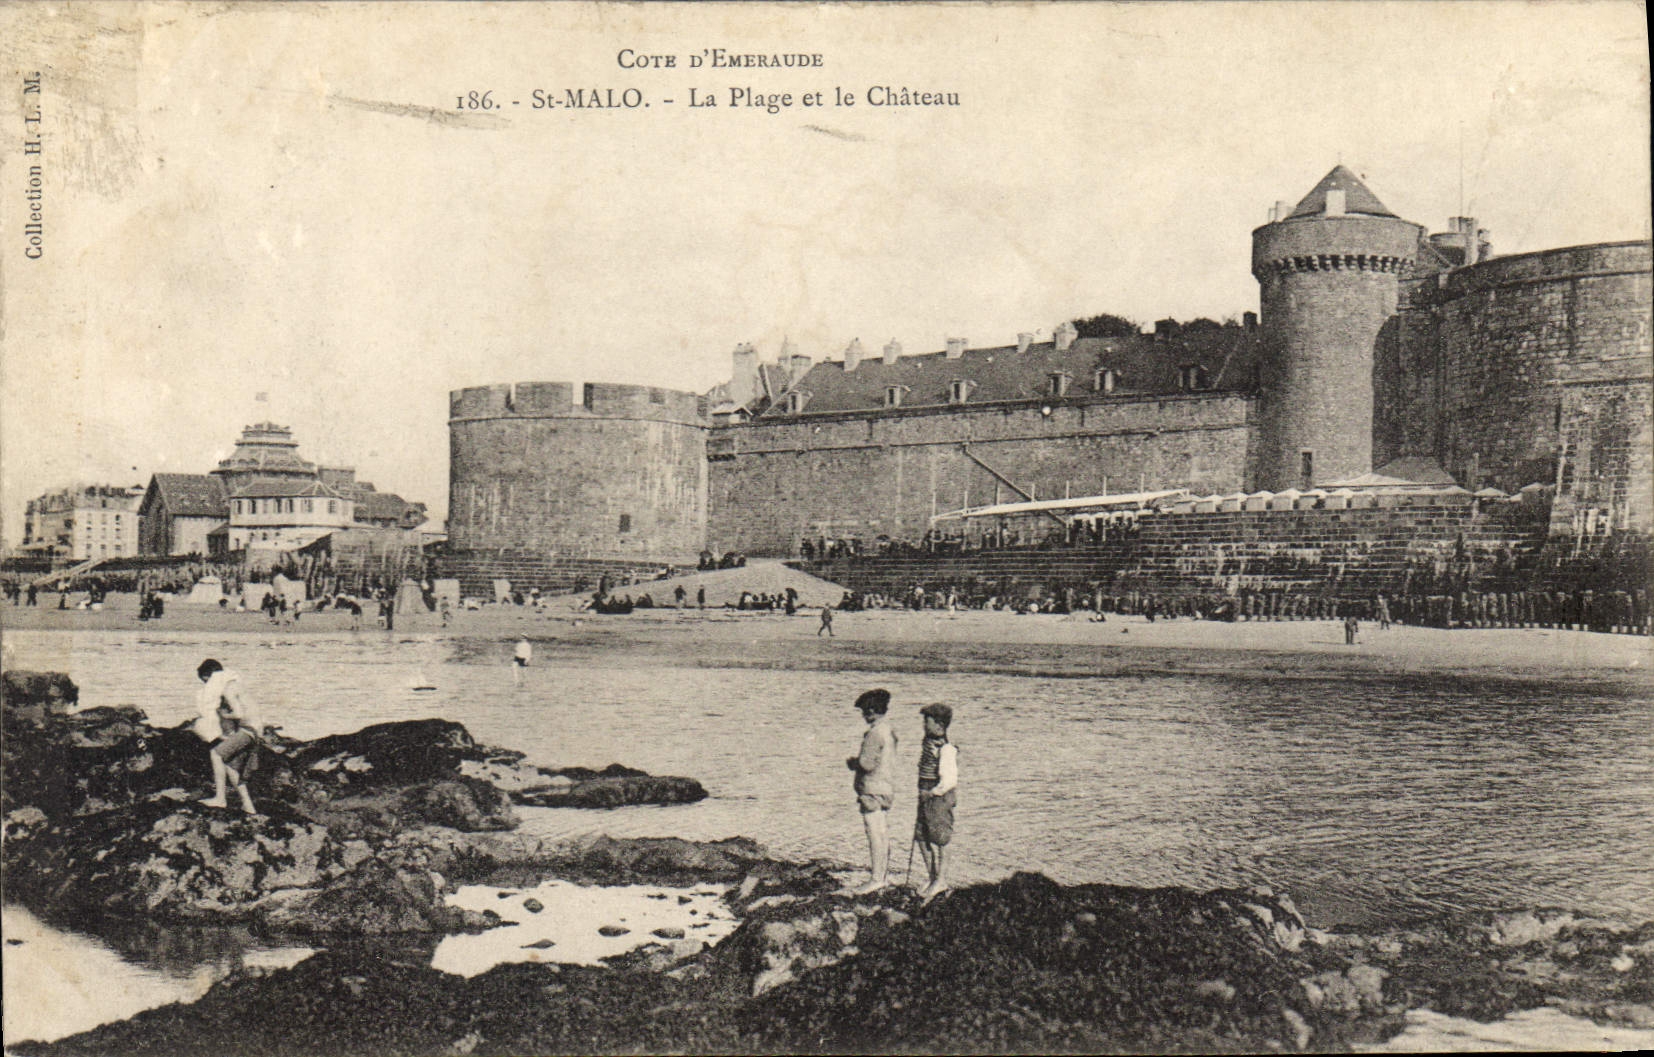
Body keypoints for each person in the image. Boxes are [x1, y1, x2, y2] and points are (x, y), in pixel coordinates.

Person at [193, 659, 265, 814]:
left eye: (207, 682)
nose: (207, 686)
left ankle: (220, 799)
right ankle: (248, 806)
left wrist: (224, 714)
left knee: (216, 754)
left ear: (213, 677)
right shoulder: (235, 685)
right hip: (255, 730)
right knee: (229, 764)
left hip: (248, 730)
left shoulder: (227, 689)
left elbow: (239, 713)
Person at [845, 688, 898, 894]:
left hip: (872, 788)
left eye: (865, 711)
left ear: (872, 710)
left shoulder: (874, 733)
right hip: (886, 786)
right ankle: (883, 876)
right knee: (883, 833)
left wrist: (853, 763)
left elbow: (866, 764)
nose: (864, 715)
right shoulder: (889, 731)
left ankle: (876, 879)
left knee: (874, 832)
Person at [914, 703, 959, 901]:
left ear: (940, 725)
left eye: (927, 721)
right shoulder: (928, 744)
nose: (924, 724)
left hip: (938, 798)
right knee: (921, 836)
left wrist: (932, 793)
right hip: (926, 797)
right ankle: (933, 877)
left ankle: (942, 880)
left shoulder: (946, 749)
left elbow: (949, 781)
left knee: (941, 838)